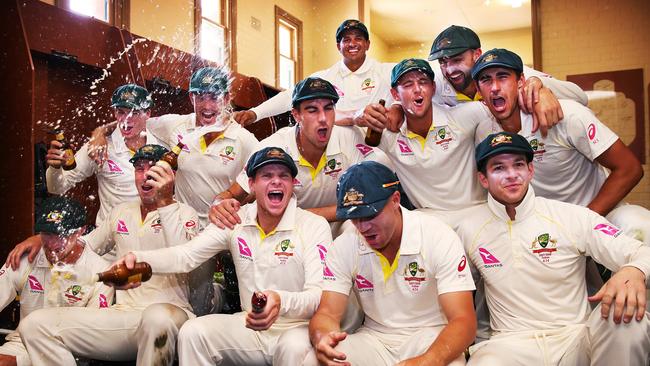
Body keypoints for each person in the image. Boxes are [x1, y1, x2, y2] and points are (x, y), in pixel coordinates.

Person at [116, 147, 330, 365]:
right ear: (251, 185)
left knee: (292, 347)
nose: (276, 182)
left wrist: (280, 300)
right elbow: (186, 255)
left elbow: (319, 296)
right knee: (193, 332)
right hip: (251, 326)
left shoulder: (313, 225)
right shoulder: (236, 219)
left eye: (284, 175)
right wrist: (138, 258)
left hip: (298, 327)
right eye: (267, 175)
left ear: (293, 184)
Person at [457, 131, 650, 365]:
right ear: (483, 179)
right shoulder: (469, 229)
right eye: (498, 168)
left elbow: (641, 251)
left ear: (530, 170)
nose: (511, 175)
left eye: (518, 165)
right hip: (509, 345)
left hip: (574, 339)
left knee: (628, 318)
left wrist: (634, 270)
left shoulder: (571, 216)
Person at [89, 67, 259, 315]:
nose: (206, 104)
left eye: (214, 96)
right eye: (199, 96)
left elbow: (259, 180)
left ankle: (223, 306)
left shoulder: (244, 139)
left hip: (224, 225)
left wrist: (235, 199)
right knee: (192, 299)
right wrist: (99, 133)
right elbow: (132, 120)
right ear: (191, 98)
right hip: (184, 225)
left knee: (238, 295)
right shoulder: (176, 125)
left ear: (227, 98)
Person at [18, 144, 198, 366]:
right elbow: (84, 245)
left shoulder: (185, 213)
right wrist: (46, 236)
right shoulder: (121, 211)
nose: (146, 175)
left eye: (154, 169)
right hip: (123, 314)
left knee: (156, 317)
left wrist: (165, 201)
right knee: (34, 325)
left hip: (171, 314)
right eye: (139, 168)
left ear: (171, 176)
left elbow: (185, 260)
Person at [471, 48, 649, 244]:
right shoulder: (486, 134)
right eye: (486, 80)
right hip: (548, 229)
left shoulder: (568, 115)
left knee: (639, 225)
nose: (495, 87)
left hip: (600, 214)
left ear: (520, 81)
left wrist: (583, 222)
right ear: (479, 91)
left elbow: (630, 169)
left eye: (503, 77)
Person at [308, 161, 476, 366]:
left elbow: (464, 321)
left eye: (370, 214)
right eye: (354, 218)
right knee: (315, 360)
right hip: (375, 338)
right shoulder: (345, 244)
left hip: (431, 336)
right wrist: (322, 338)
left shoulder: (438, 235)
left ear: (396, 200)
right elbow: (327, 312)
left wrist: (428, 360)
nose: (363, 227)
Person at [210, 77, 370, 231]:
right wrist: (218, 204)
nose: (323, 118)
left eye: (328, 108)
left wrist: (297, 215)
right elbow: (232, 194)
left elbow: (371, 199)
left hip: (338, 234)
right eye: (312, 110)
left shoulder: (351, 138)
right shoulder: (272, 147)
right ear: (296, 115)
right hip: (289, 239)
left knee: (359, 225)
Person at [361, 59, 493, 227]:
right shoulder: (389, 135)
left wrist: (536, 84)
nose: (417, 89)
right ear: (395, 94)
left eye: (423, 82)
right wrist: (359, 114)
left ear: (433, 88)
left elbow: (509, 109)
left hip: (477, 213)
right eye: (408, 84)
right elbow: (336, 122)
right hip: (429, 221)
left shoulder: (467, 114)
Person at [0, 197, 113, 366]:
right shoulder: (25, 258)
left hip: (67, 352)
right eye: (47, 233)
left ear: (80, 231)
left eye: (61, 234)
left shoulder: (101, 272)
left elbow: (93, 339)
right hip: (22, 343)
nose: (52, 243)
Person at [233, 19, 394, 127]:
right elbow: (290, 96)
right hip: (336, 152)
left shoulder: (386, 72)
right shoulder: (325, 78)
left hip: (376, 151)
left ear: (367, 44)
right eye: (346, 40)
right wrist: (255, 113)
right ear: (339, 46)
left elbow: (415, 78)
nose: (352, 43)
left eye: (358, 38)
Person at [46, 84, 159, 226]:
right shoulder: (98, 147)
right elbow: (57, 188)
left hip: (152, 237)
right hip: (111, 241)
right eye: (121, 112)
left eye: (134, 113)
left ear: (147, 113)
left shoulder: (162, 142)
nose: (126, 119)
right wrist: (54, 169)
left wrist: (100, 130)